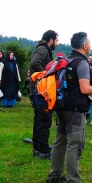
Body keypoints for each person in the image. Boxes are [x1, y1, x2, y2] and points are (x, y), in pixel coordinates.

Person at [46, 32, 92, 183]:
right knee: (74, 143)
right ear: (84, 45)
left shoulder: (66, 60)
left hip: (61, 106)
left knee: (60, 140)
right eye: (89, 42)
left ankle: (54, 174)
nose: (90, 45)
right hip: (75, 110)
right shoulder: (81, 63)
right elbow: (84, 88)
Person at [29, 30, 59, 159]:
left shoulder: (43, 49)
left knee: (39, 120)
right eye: (56, 40)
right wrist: (46, 76)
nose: (57, 43)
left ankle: (38, 146)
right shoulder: (43, 49)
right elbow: (35, 63)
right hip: (41, 91)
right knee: (44, 121)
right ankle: (43, 150)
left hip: (37, 91)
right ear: (51, 40)